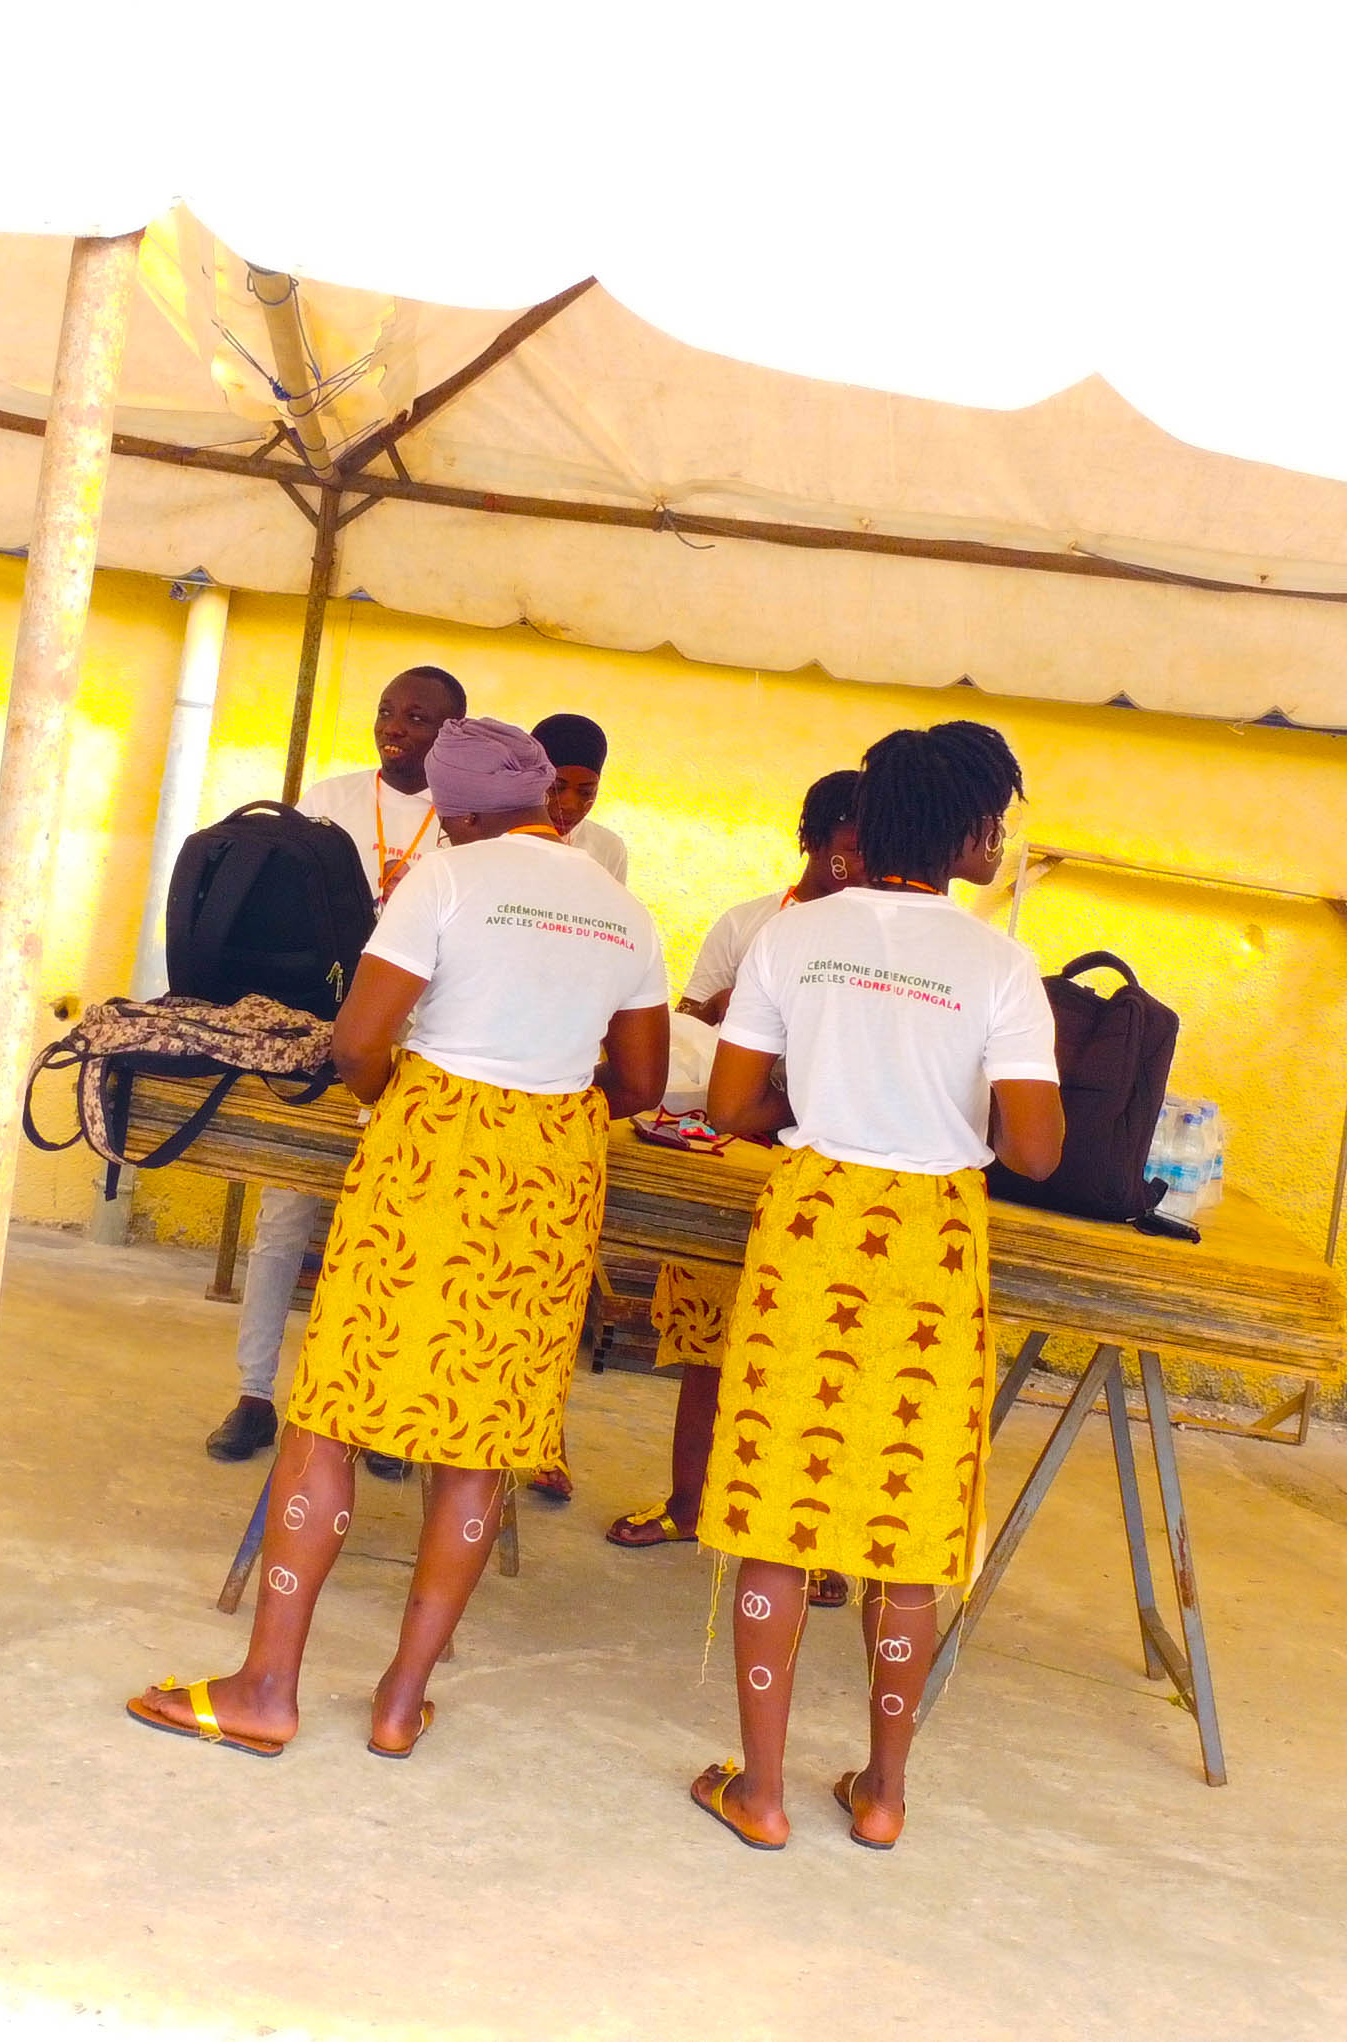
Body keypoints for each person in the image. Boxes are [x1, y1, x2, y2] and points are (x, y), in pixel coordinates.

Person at [133, 719, 671, 1760]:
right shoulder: (625, 909)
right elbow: (643, 1082)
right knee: (480, 1444)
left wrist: (402, 1100)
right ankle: (397, 1703)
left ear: (458, 812)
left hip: (431, 1147)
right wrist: (544, 1111)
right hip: (552, 1171)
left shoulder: (448, 878)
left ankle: (266, 1690)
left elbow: (358, 1042)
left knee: (331, 1415)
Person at [683, 724, 1061, 1853]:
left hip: (811, 1226)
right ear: (970, 830)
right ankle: (884, 1794)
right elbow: (1037, 1151)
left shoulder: (793, 936)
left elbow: (729, 1105)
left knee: (778, 1513)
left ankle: (760, 1794)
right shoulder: (1000, 965)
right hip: (932, 1243)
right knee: (908, 1523)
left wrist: (819, 1099)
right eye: (999, 822)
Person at [606, 768, 862, 1604]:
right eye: (849, 843)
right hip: (734, 1157)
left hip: (823, 1167)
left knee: (815, 1360)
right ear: (814, 840)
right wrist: (719, 1011)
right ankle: (689, 1504)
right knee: (706, 1341)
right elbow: (682, 1038)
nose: (862, 860)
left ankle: (807, 1540)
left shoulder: (879, 940)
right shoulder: (750, 925)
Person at [206, 664, 468, 1471]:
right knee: (284, 1213)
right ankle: (255, 1394)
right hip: (325, 1024)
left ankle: (378, 1409)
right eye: (387, 711)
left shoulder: (469, 822)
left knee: (398, 1229)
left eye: (417, 717)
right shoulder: (330, 798)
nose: (395, 727)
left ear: (451, 732)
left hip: (422, 1036)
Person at [531, 712, 629, 884]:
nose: (569, 805)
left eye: (586, 792)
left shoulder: (608, 849)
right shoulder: (492, 835)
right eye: (556, 787)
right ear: (529, 777)